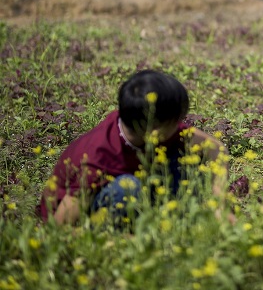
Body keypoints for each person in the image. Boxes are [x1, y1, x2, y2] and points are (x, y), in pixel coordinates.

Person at [39, 69, 227, 225]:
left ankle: (172, 218)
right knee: (126, 187)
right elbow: (58, 228)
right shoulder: (96, 158)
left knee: (185, 162)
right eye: (176, 120)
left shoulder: (155, 130)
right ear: (155, 129)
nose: (181, 124)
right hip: (92, 213)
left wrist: (220, 205)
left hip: (141, 192)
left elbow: (216, 149)